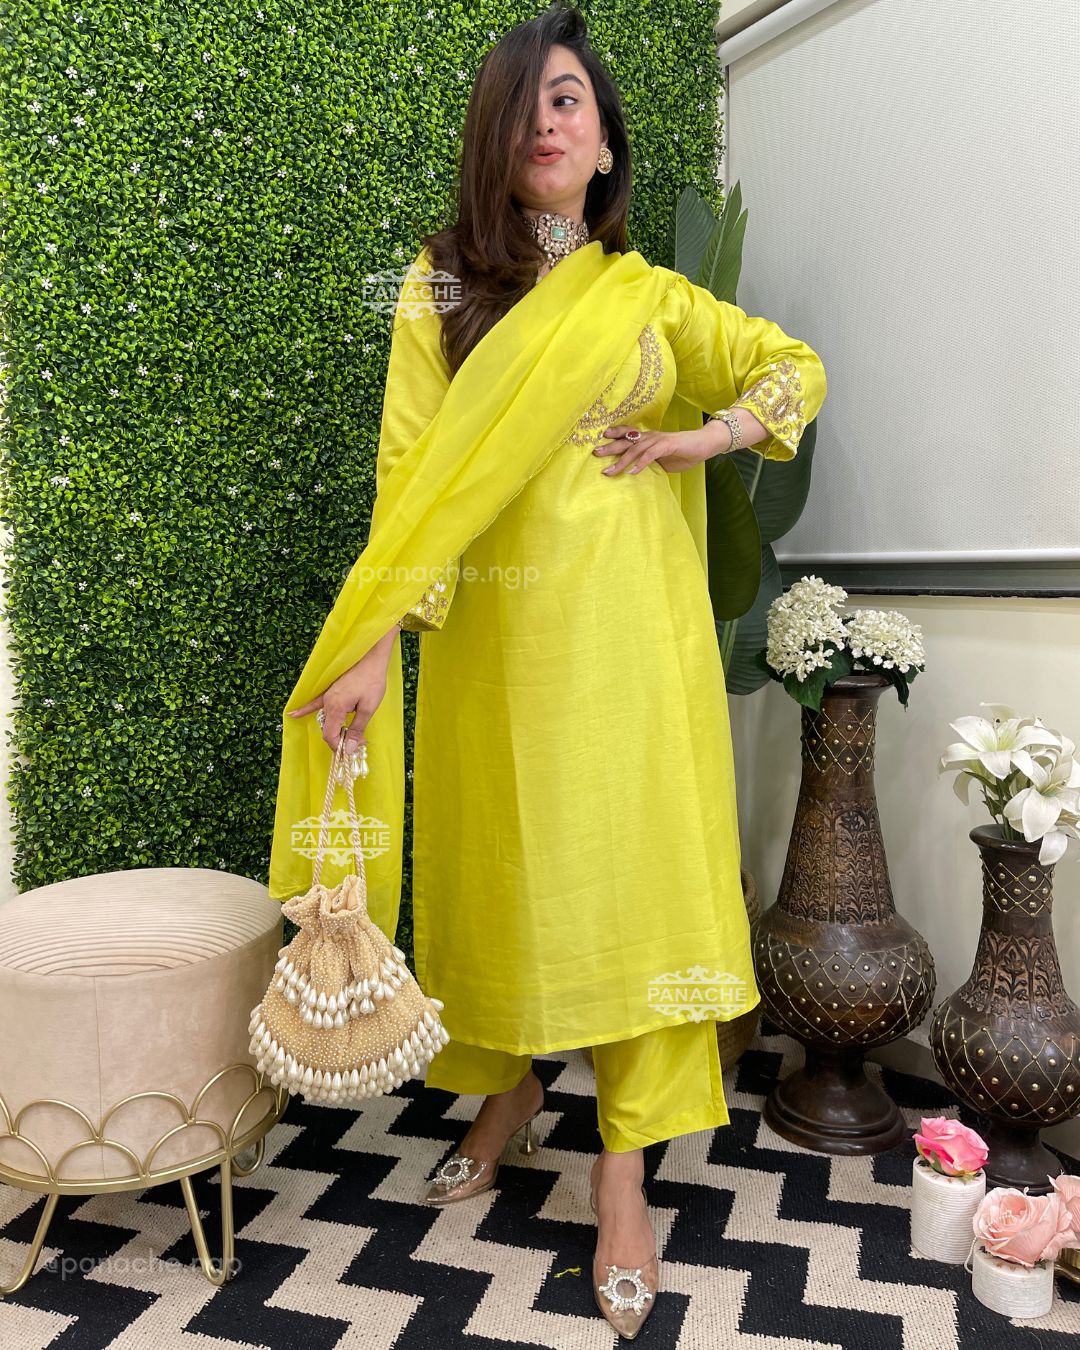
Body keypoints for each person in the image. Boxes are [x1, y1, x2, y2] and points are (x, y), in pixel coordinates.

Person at [270, 3, 826, 1338]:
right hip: (496, 653)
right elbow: (410, 478)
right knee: (507, 876)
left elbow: (790, 367)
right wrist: (369, 644)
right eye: (523, 103)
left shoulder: (648, 297)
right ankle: (511, 1087)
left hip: (636, 657)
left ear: (604, 138)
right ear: (493, 135)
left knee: (631, 890)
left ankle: (621, 1173)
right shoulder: (441, 285)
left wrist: (706, 439)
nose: (546, 122)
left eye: (568, 98)